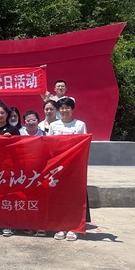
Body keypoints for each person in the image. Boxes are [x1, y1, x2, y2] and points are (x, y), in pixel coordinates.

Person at [48, 97, 88, 242]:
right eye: (62, 108)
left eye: (67, 107)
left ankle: (73, 227)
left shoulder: (80, 125)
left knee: (74, 198)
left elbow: (84, 145)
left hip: (75, 167)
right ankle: (61, 226)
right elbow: (49, 146)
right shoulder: (54, 125)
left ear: (73, 109)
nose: (64, 110)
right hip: (58, 168)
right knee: (60, 197)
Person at [0, 101, 20, 238]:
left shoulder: (14, 130)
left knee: (9, 197)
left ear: (7, 114)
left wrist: (10, 140)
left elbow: (19, 149)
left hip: (9, 169)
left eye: (2, 113)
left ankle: (9, 224)